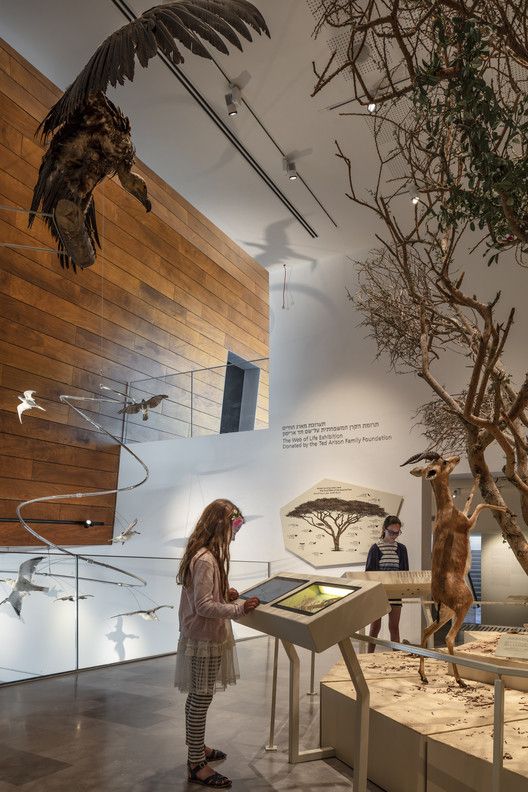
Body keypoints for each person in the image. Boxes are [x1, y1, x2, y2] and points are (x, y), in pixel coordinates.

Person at [175, 499, 259, 789]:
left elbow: (207, 596)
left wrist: (225, 592)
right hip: (204, 636)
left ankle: (196, 749)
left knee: (198, 696)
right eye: (234, 527)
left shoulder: (202, 555)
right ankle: (196, 763)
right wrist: (239, 608)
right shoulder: (207, 559)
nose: (234, 534)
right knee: (201, 698)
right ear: (221, 525)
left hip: (201, 635)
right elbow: (203, 606)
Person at [365, 515, 409, 653]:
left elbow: (404, 572)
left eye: (397, 533)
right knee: (375, 626)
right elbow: (369, 573)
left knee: (394, 627)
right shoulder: (375, 548)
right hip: (378, 592)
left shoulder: (401, 549)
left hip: (395, 593)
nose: (394, 536)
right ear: (384, 529)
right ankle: (369, 656)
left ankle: (395, 659)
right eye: (392, 532)